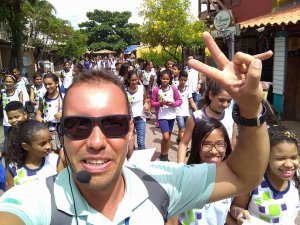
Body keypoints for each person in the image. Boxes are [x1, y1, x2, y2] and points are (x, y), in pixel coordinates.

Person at [0, 31, 272, 225]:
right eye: (79, 125)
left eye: (113, 124)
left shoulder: (160, 183)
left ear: (130, 129)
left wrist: (250, 109)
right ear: (61, 134)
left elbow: (242, 175)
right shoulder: (34, 201)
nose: (96, 141)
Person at [228, 125, 300, 225]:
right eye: (280, 158)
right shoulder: (253, 182)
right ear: (266, 157)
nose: (289, 164)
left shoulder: (296, 180)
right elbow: (234, 206)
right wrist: (239, 212)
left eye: (294, 157)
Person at [177, 118, 232, 225]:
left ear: (226, 146)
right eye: (206, 144)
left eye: (220, 144)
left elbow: (233, 209)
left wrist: (237, 212)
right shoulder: (184, 179)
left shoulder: (231, 179)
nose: (214, 151)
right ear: (197, 146)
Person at [177, 80, 236, 163]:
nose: (226, 105)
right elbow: (184, 143)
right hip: (199, 167)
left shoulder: (231, 116)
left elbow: (232, 145)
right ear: (211, 95)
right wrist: (180, 167)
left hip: (222, 168)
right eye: (221, 100)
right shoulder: (196, 117)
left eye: (229, 101)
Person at [5, 120, 64, 190]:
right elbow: (9, 196)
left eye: (49, 140)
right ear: (26, 146)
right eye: (43, 144)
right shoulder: (14, 168)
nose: (49, 146)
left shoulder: (55, 161)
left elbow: (63, 188)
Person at [151, 69, 182, 161]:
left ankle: (164, 155)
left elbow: (179, 101)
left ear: (170, 80)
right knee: (166, 136)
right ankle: (163, 154)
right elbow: (152, 103)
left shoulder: (173, 88)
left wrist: (172, 103)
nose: (165, 80)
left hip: (172, 116)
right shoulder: (156, 89)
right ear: (160, 78)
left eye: (167, 79)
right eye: (163, 78)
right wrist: (160, 103)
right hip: (162, 116)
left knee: (168, 138)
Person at [36, 73, 63, 153]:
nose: (47, 87)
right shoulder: (43, 97)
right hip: (47, 128)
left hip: (60, 129)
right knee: (50, 151)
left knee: (61, 152)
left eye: (50, 84)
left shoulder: (63, 97)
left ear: (57, 83)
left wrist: (62, 113)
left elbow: (71, 111)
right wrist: (38, 116)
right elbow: (39, 109)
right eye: (45, 84)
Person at [125, 70, 149, 150]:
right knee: (130, 142)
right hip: (129, 119)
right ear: (128, 80)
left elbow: (146, 99)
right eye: (132, 80)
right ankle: (131, 159)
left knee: (141, 142)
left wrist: (146, 104)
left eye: (136, 79)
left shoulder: (141, 88)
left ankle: (142, 161)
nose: (134, 82)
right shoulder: (125, 91)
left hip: (140, 118)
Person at [175, 70, 197, 144]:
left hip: (186, 113)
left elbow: (191, 101)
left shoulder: (188, 89)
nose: (183, 82)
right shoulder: (174, 89)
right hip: (178, 113)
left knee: (182, 129)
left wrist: (197, 110)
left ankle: (178, 138)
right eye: (181, 80)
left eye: (185, 80)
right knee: (182, 129)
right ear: (178, 79)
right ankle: (185, 146)